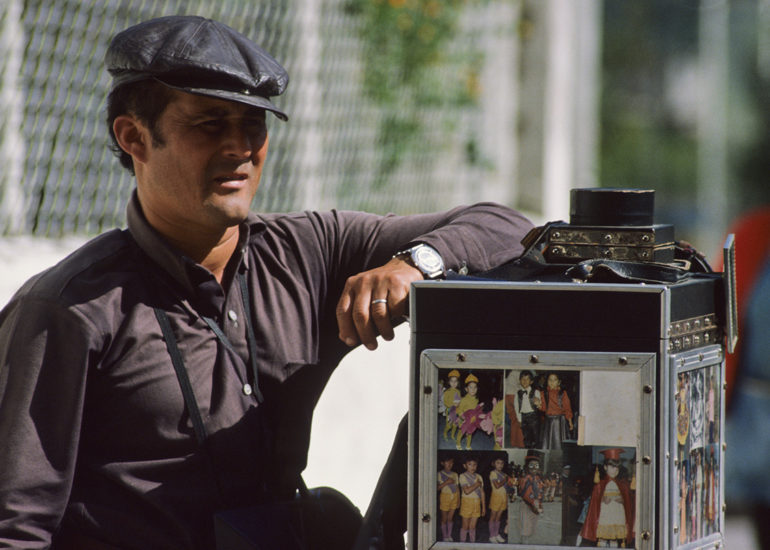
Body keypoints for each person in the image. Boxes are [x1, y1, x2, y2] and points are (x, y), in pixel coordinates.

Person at [0, 15, 534, 550]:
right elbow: (16, 527)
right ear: (134, 137)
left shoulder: (310, 252)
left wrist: (416, 263)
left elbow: (510, 229)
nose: (240, 148)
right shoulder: (68, 310)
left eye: (253, 125)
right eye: (210, 123)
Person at [579, 448, 634, 547]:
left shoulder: (622, 485)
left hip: (618, 515)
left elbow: (628, 500)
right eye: (612, 467)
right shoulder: (600, 485)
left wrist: (623, 500)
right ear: (605, 467)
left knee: (615, 539)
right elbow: (595, 502)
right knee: (603, 539)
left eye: (617, 467)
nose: (615, 470)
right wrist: (602, 499)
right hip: (605, 514)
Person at [538, 372, 573, 449]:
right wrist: (538, 405)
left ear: (559, 382)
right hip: (548, 421)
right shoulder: (543, 393)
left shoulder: (563, 393)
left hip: (560, 421)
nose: (552, 382)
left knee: (559, 441)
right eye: (550, 380)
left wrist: (570, 421)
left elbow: (567, 408)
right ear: (546, 381)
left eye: (554, 380)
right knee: (548, 441)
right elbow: (544, 408)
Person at [458, 457, 485, 543]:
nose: (472, 467)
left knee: (473, 527)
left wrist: (483, 507)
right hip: (466, 503)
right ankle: (462, 544)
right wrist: (477, 484)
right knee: (465, 526)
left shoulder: (479, 477)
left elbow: (482, 493)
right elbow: (467, 491)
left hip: (477, 504)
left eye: (474, 465)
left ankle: (472, 544)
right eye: (470, 464)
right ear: (465, 466)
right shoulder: (462, 476)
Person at [512, 370, 541, 448]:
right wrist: (519, 420)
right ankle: (527, 448)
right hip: (523, 417)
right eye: (522, 379)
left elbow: (540, 405)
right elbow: (516, 406)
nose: (525, 381)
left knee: (535, 436)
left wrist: (538, 404)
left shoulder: (536, 392)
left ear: (531, 381)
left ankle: (535, 448)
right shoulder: (518, 393)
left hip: (534, 417)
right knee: (526, 436)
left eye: (527, 379)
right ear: (520, 381)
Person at [437, 455, 460, 542]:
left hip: (454, 497)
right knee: (444, 518)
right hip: (445, 497)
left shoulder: (455, 474)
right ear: (442, 463)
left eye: (451, 462)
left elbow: (457, 488)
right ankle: (444, 536)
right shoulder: (439, 474)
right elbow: (437, 488)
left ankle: (449, 535)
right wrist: (446, 482)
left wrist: (458, 500)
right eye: (447, 462)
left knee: (450, 518)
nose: (450, 464)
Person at [487, 456, 508, 543]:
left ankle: (496, 534)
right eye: (498, 463)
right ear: (494, 464)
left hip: (504, 497)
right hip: (496, 497)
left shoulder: (504, 474)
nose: (500, 465)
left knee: (498, 518)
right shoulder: (493, 473)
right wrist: (505, 480)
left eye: (502, 463)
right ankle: (491, 535)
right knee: (493, 517)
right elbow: (497, 485)